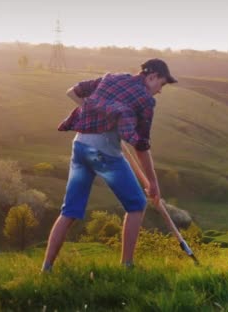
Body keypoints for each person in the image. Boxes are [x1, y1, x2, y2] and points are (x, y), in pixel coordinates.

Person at [41, 59, 177, 271]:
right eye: (162, 84)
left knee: (69, 211)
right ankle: (127, 266)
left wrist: (96, 113)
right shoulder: (145, 101)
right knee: (137, 204)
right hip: (104, 153)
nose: (160, 91)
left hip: (80, 146)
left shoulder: (112, 78)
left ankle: (46, 268)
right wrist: (152, 183)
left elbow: (72, 91)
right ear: (152, 77)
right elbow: (141, 146)